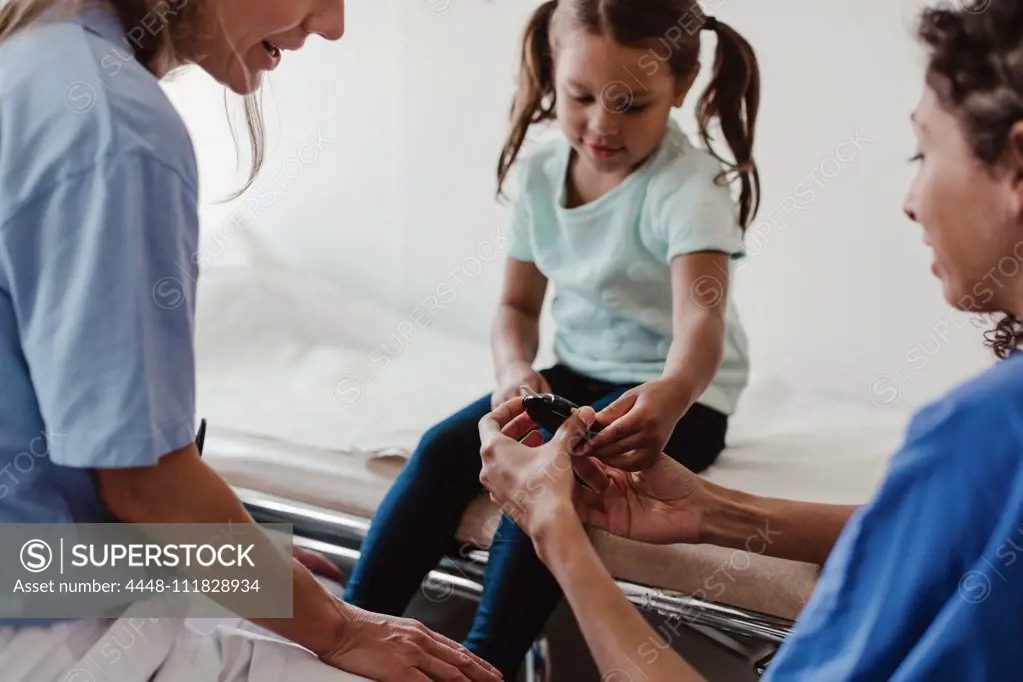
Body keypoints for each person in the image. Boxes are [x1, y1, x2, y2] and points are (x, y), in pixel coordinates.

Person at [476, 0, 1023, 679]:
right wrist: (714, 512)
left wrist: (555, 530)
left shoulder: (983, 434)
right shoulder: (988, 441)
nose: (908, 200)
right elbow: (936, 530)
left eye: (923, 150)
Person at [0, 2, 504, 681]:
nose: (333, 25)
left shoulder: (30, 56)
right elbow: (144, 486)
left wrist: (245, 564)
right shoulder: (116, 126)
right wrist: (337, 630)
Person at [344, 1, 762, 677]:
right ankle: (351, 624)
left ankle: (485, 662)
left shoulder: (690, 187)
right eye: (581, 97)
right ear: (551, 75)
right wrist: (513, 367)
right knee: (442, 449)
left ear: (680, 90)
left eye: (631, 103)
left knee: (548, 482)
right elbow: (515, 304)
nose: (602, 124)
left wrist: (671, 395)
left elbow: (700, 322)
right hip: (576, 371)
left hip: (679, 397)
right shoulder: (541, 174)